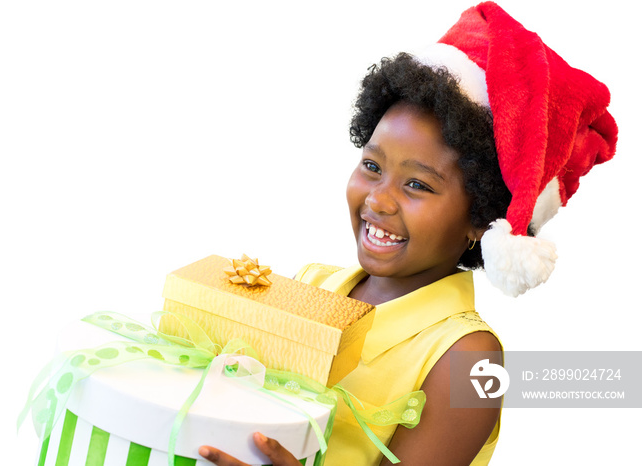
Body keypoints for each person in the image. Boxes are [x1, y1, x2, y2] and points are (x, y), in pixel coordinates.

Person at [198, 2, 617, 465]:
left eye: (417, 184)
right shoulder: (312, 284)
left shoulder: (472, 358)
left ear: (481, 217)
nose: (378, 199)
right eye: (372, 166)